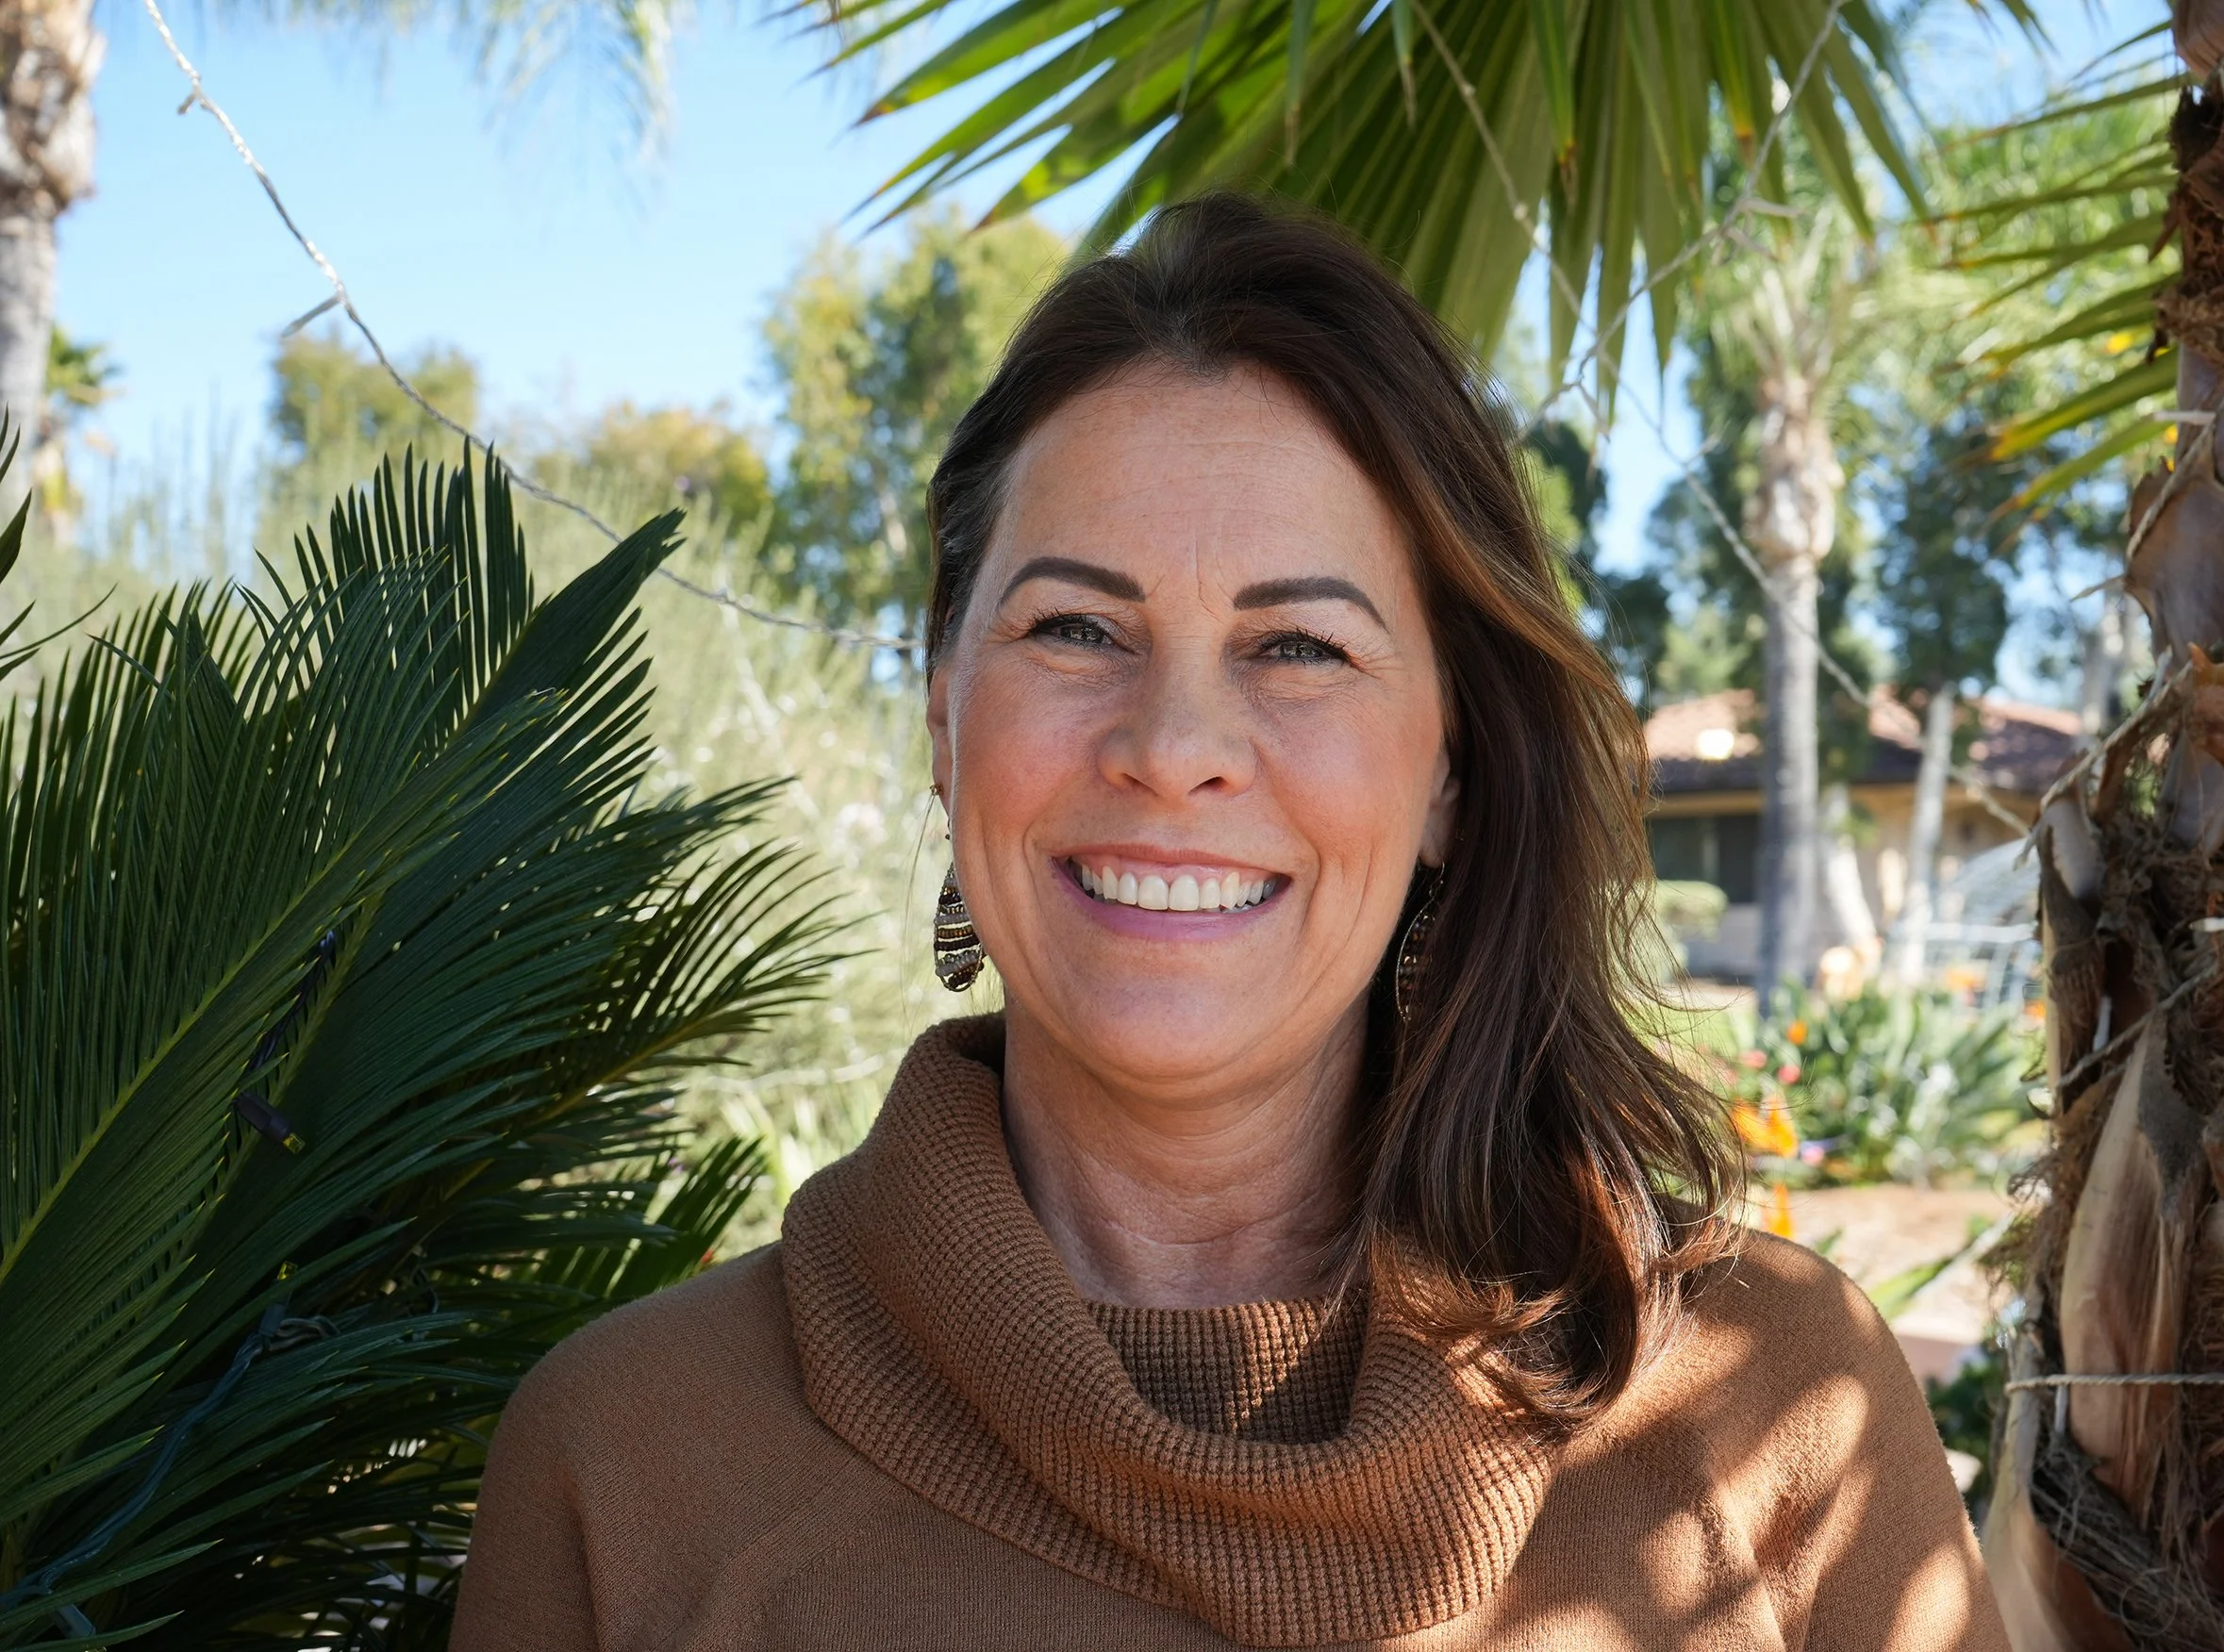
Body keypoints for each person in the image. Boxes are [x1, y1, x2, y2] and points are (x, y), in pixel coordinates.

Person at [452, 195, 2007, 1651]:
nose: (1173, 743)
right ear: (943, 723)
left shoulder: (1777, 1420)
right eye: (1074, 628)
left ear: (1454, 764)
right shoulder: (628, 1466)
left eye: (1298, 646)